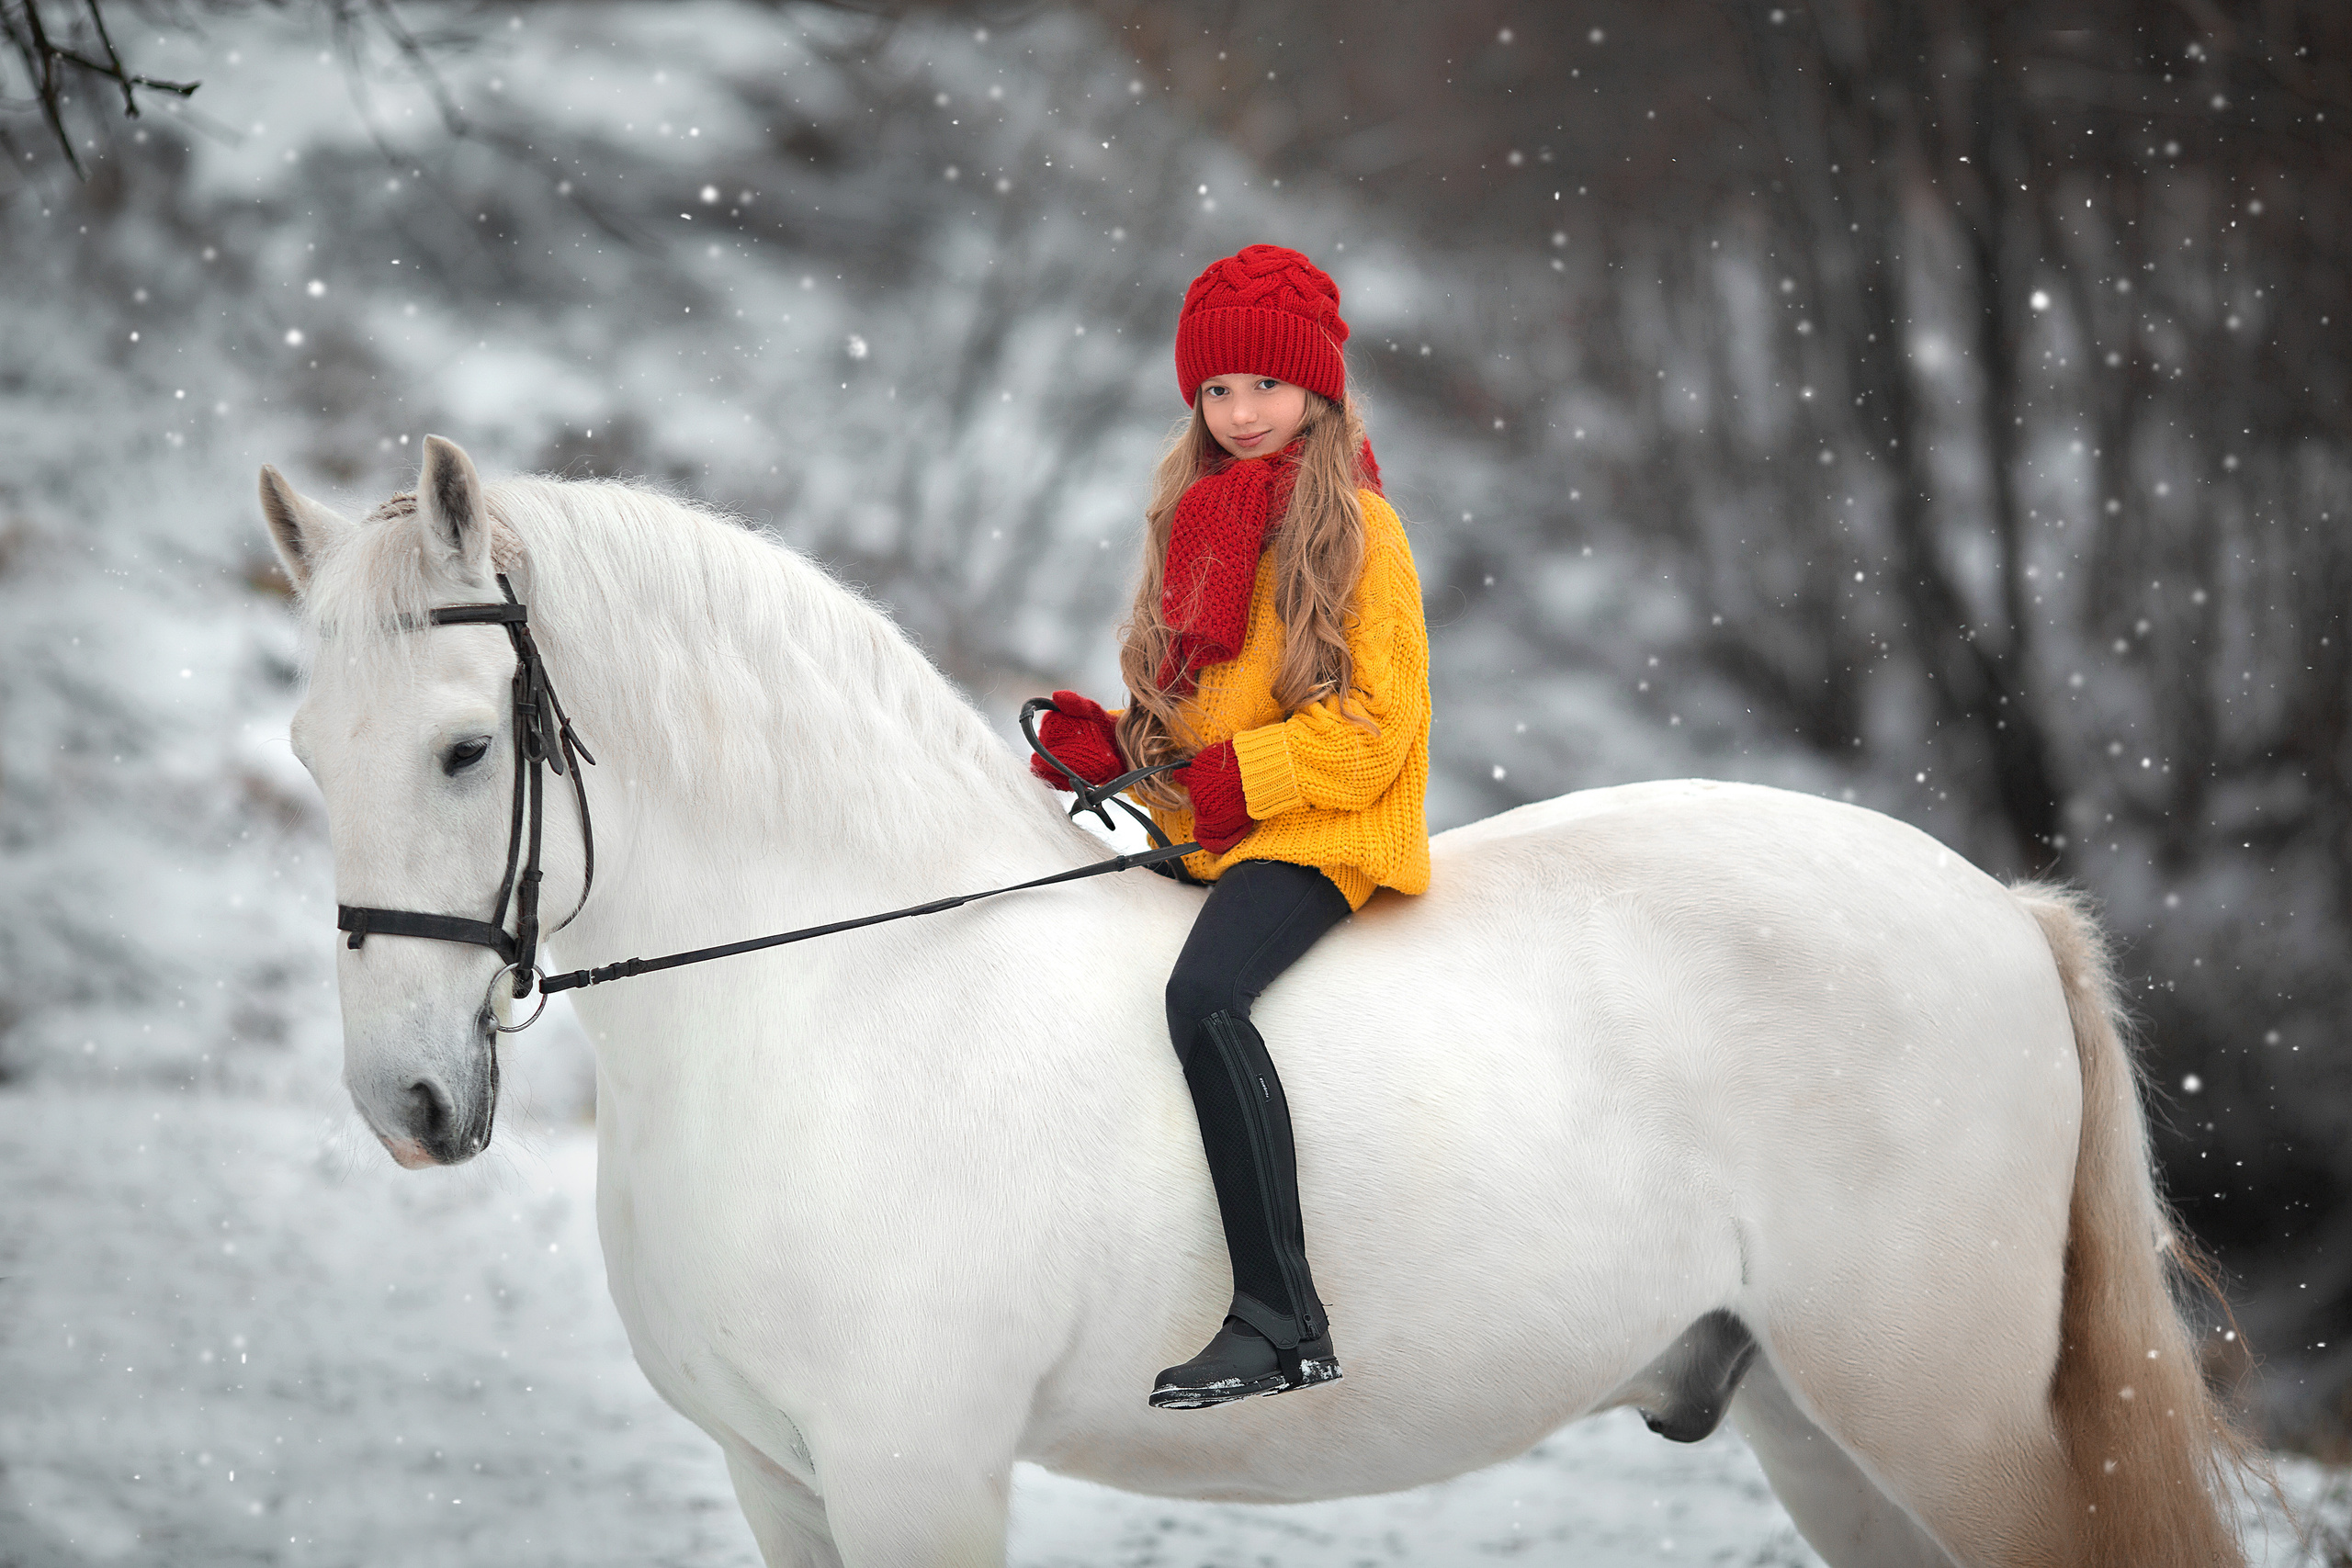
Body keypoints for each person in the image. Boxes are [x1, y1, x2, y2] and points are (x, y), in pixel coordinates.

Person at [1030, 243, 1432, 1410]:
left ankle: (1279, 1315)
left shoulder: (1359, 530)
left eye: (1265, 384)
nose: (1242, 412)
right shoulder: (1199, 517)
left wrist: (1226, 784)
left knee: (1201, 995)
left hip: (1326, 831)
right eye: (1216, 389)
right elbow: (1199, 731)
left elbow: (1374, 729)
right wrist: (1121, 748)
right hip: (1234, 823)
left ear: (1317, 389)